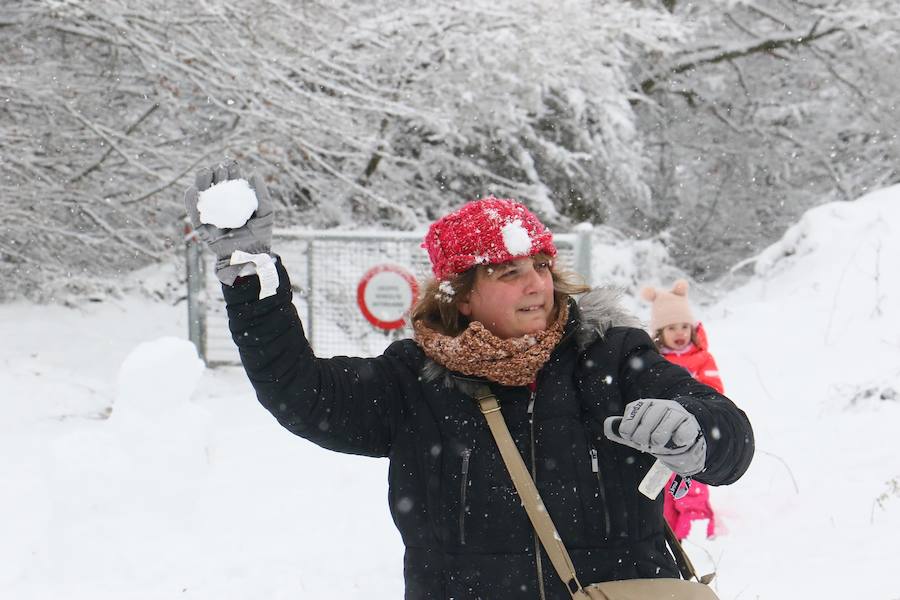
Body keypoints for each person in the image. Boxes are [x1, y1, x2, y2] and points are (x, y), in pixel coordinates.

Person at [184, 161, 754, 600]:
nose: (536, 285)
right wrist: (253, 285)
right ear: (461, 295)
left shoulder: (610, 356)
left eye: (541, 267)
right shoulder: (414, 380)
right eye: (510, 272)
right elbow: (302, 394)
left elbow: (729, 435)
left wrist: (698, 431)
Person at [640, 281, 725, 541]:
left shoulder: (702, 359)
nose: (680, 333)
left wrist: (702, 411)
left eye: (685, 326)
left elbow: (715, 391)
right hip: (663, 436)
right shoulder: (654, 362)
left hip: (695, 434)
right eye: (672, 328)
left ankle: (697, 528)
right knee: (664, 487)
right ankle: (671, 535)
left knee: (693, 481)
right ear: (659, 332)